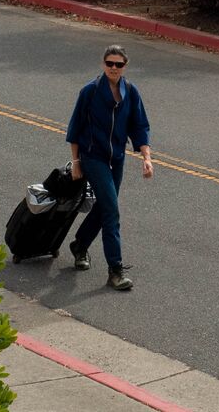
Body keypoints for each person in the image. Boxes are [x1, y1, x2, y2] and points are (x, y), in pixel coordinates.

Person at [66, 44, 153, 291]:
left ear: (125, 66)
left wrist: (146, 158)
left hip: (117, 160)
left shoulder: (131, 92)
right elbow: (75, 129)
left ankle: (80, 245)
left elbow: (140, 127)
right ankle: (115, 271)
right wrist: (76, 162)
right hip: (93, 158)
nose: (113, 68)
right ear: (103, 64)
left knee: (105, 207)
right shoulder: (90, 92)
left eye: (119, 64)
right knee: (112, 212)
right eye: (109, 63)